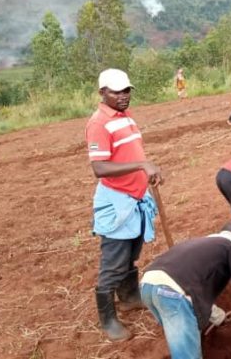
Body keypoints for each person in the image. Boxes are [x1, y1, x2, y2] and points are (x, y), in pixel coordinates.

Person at [85, 68, 163, 341]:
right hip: (116, 200)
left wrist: (147, 172)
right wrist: (142, 165)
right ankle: (108, 319)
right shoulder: (99, 123)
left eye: (126, 90)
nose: (123, 96)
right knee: (114, 263)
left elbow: (131, 152)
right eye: (116, 91)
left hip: (137, 197)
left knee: (132, 253)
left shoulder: (125, 116)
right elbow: (100, 168)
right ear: (102, 93)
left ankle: (129, 296)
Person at [140, 222, 231, 358]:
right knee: (187, 355)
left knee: (186, 339)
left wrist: (218, 317)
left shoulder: (204, 244)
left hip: (147, 286)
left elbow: (198, 293)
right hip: (172, 293)